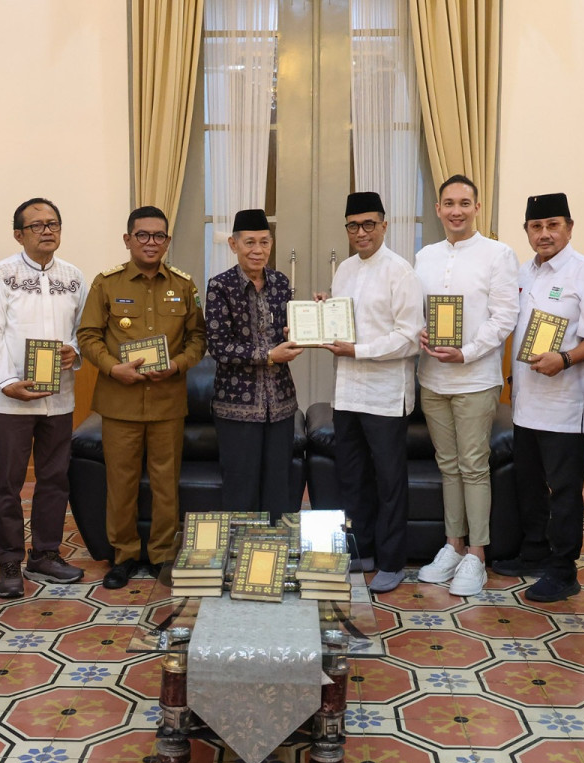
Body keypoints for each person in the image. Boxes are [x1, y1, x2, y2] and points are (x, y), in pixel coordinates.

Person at [78, 206, 206, 589]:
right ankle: (124, 556)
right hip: (120, 402)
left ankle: (163, 555)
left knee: (167, 483)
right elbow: (88, 336)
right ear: (128, 239)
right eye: (143, 235)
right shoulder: (107, 283)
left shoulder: (184, 285)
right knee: (122, 483)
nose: (151, 243)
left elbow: (198, 339)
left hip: (168, 401)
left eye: (159, 236)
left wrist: (179, 365)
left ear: (167, 241)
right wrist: (113, 367)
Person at [495, 193, 584, 603]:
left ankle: (564, 571)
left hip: (565, 406)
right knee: (528, 486)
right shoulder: (522, 271)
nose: (544, 234)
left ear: (570, 227)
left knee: (563, 492)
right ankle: (534, 554)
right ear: (527, 231)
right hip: (526, 403)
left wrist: (564, 358)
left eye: (552, 225)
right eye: (536, 227)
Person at [414, 175, 519, 596]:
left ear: (477, 208)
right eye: (448, 203)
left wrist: (468, 351)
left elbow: (504, 316)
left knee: (474, 465)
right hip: (432, 377)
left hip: (475, 376)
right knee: (448, 464)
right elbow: (413, 310)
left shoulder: (498, 254)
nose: (456, 210)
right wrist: (419, 331)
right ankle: (452, 546)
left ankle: (477, 554)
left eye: (464, 202)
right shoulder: (424, 256)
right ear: (438, 209)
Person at [0, 198, 86, 598]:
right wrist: (7, 381)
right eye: (37, 225)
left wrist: (76, 350)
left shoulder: (74, 277)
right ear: (19, 234)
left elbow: (84, 329)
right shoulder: (2, 274)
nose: (47, 230)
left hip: (59, 399)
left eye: (53, 223)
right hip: (9, 401)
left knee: (55, 478)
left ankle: (45, 552)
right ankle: (8, 560)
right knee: (7, 482)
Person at [324, 191, 425, 594]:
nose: (361, 232)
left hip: (385, 395)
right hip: (346, 391)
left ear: (384, 225)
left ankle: (391, 561)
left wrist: (358, 350)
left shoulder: (401, 272)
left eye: (369, 224)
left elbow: (409, 339)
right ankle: (360, 550)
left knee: (389, 481)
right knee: (351, 477)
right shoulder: (344, 270)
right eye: (353, 225)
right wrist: (322, 312)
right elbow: (343, 322)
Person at [204, 208, 303, 520]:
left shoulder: (281, 283)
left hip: (281, 404)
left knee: (278, 486)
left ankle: (274, 556)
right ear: (234, 245)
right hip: (236, 406)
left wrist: (306, 325)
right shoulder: (220, 287)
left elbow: (289, 330)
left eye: (263, 242)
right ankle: (241, 560)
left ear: (271, 244)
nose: (257, 250)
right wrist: (270, 355)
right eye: (249, 243)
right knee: (241, 487)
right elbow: (219, 346)